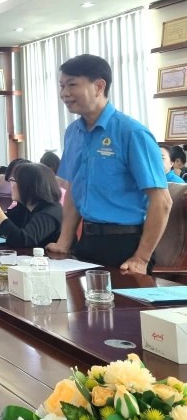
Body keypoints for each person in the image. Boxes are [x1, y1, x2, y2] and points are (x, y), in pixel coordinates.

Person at [46, 54, 171, 274]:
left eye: (72, 85)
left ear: (99, 86)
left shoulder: (131, 132)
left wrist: (141, 258)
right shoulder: (73, 133)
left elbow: (161, 201)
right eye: (62, 85)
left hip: (125, 244)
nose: (64, 93)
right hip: (86, 241)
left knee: (119, 309)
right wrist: (64, 241)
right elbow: (75, 189)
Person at [0, 162, 63, 248]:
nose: (10, 185)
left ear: (28, 185)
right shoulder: (24, 208)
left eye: (13, 180)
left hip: (55, 262)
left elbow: (22, 241)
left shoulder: (50, 211)